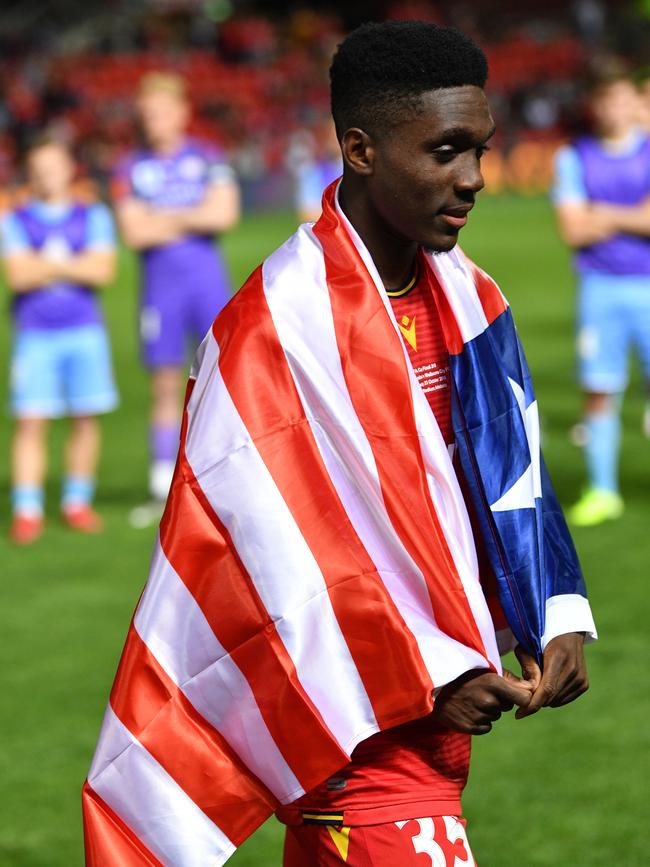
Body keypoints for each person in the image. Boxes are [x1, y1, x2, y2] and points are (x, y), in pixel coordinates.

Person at [84, 22, 596, 867]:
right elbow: (275, 551)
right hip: (354, 739)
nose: (471, 179)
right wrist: (431, 663)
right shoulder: (273, 327)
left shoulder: (468, 295)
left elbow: (513, 467)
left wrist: (555, 608)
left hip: (425, 734)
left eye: (480, 150)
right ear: (360, 149)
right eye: (443, 151)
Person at [112, 72, 240, 524]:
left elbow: (223, 214)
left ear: (182, 112)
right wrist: (192, 215)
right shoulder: (129, 166)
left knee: (219, 382)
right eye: (147, 114)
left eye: (161, 112)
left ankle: (224, 481)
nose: (154, 121)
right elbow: (133, 230)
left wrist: (159, 218)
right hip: (160, 293)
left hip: (207, 287)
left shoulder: (207, 157)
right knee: (165, 385)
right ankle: (162, 488)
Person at [1, 137, 118, 545]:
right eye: (39, 168)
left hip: (85, 332)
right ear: (30, 174)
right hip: (35, 335)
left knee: (85, 418)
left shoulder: (94, 215)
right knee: (31, 421)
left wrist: (43, 266)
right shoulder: (14, 219)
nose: (47, 175)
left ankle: (76, 502)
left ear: (70, 169)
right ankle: (27, 508)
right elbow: (17, 276)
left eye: (54, 166)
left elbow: (103, 272)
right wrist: (75, 264)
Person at [552, 71, 650, 527]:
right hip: (600, 289)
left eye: (622, 99)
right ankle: (602, 491)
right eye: (605, 100)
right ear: (596, 105)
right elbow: (572, 229)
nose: (613, 109)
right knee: (598, 389)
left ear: (635, 103)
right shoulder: (574, 156)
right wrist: (634, 216)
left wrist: (602, 214)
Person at [294, 119, 343, 223]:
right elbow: (308, 215)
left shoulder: (365, 169)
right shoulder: (313, 172)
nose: (332, 140)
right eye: (329, 135)